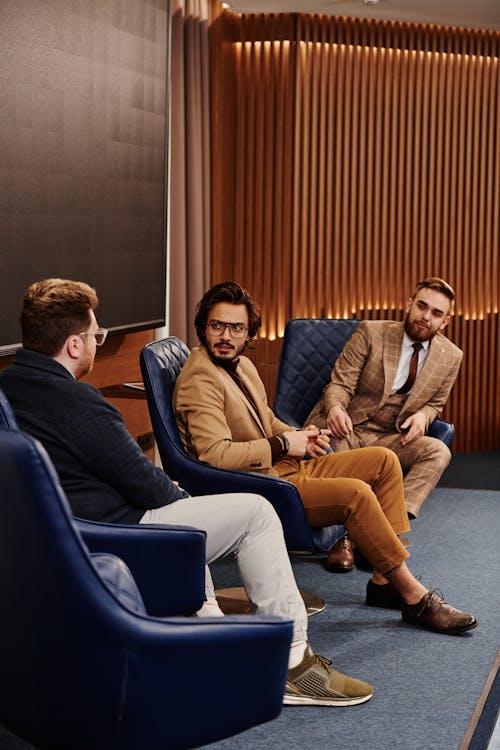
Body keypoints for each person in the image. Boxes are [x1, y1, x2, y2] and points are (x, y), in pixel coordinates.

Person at [0, 278, 375, 708]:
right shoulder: (79, 402)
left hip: (72, 532)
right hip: (117, 533)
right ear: (72, 345)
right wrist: (182, 496)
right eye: (95, 334)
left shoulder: (12, 388)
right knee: (256, 512)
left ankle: (210, 639)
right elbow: (144, 483)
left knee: (198, 511)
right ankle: (290, 665)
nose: (97, 343)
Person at [173, 280, 476, 637]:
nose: (226, 335)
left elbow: (266, 420)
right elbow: (215, 454)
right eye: (217, 325)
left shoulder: (241, 367)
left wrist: (302, 436)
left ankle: (382, 581)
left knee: (383, 461)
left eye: (236, 327)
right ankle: (413, 596)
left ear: (248, 333)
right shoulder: (201, 378)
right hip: (263, 483)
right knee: (356, 494)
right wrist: (285, 444)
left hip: (283, 465)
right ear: (203, 327)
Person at [307, 277, 462, 520]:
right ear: (409, 304)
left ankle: (389, 521)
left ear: (445, 321)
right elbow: (340, 383)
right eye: (422, 306)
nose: (426, 316)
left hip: (392, 437)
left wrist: (424, 416)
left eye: (436, 313)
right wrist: (336, 408)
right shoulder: (372, 332)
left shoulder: (452, 356)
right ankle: (350, 536)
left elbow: (436, 403)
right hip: (348, 427)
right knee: (349, 476)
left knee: (438, 452)